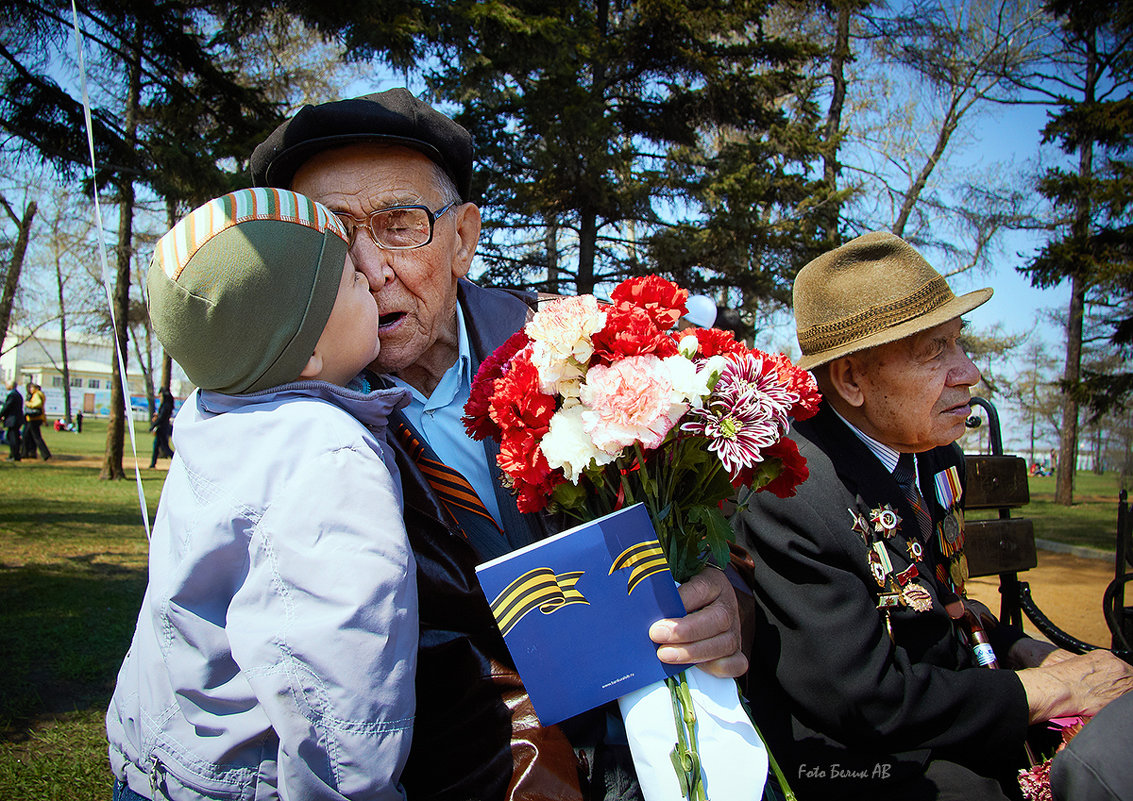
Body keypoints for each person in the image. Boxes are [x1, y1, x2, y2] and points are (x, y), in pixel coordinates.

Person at [250, 87, 747, 801]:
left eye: (398, 223)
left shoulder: (583, 355)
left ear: (462, 238)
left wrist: (722, 605)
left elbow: (716, 540)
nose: (366, 266)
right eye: (329, 236)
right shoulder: (278, 426)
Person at [732, 231, 1133, 800]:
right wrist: (1045, 691)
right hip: (854, 762)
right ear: (851, 380)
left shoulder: (932, 453)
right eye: (935, 351)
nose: (968, 372)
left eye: (958, 343)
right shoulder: (791, 491)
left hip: (945, 710)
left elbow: (937, 606)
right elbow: (863, 698)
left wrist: (1022, 649)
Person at [106, 188, 416, 801]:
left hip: (157, 762)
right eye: (353, 279)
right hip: (248, 784)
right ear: (302, 354)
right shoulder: (326, 455)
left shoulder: (212, 418)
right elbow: (340, 673)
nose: (375, 284)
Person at [21, 381, 50, 460]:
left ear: (36, 388)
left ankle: (45, 454)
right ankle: (31, 453)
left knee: (34, 436)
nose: (30, 389)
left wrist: (28, 404)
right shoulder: (41, 394)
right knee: (31, 436)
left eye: (31, 388)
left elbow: (38, 404)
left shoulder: (37, 394)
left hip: (33, 418)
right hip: (37, 418)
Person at [148, 387, 175, 467]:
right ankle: (153, 464)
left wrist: (153, 425)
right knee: (157, 446)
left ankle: (175, 460)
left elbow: (161, 418)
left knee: (165, 447)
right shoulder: (166, 405)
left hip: (162, 428)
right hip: (162, 428)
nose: (159, 398)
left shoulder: (165, 406)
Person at [2, 380, 23, 461]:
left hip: (13, 420)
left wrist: (1, 414)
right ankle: (13, 454)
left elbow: (7, 407)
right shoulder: (17, 394)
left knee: (13, 438)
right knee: (11, 437)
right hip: (16, 419)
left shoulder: (12, 395)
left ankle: (15, 455)